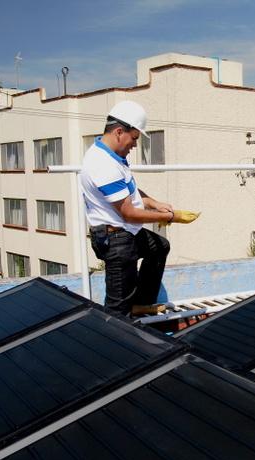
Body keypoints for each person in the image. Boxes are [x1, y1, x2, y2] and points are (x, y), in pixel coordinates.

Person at [79, 100, 199, 316]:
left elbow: (130, 192)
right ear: (118, 132)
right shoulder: (102, 164)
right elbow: (128, 212)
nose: (134, 145)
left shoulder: (114, 157)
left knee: (160, 246)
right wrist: (171, 217)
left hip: (125, 233)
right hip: (115, 240)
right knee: (117, 311)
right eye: (134, 138)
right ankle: (119, 334)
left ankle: (140, 303)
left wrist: (154, 203)